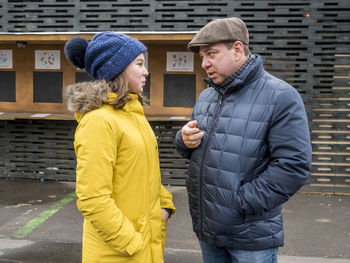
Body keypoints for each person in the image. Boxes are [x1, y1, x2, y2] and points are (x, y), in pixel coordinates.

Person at [175, 17, 311, 263]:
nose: (204, 63)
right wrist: (183, 139)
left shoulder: (281, 96)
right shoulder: (207, 96)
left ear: (237, 50)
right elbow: (198, 148)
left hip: (251, 239)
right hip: (209, 233)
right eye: (202, 57)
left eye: (211, 54)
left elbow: (293, 166)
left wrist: (240, 203)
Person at [64, 31, 175, 263]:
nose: (146, 71)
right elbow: (92, 199)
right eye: (139, 64)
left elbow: (146, 175)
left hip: (147, 246)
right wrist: (131, 242)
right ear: (117, 68)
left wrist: (164, 207)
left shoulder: (134, 115)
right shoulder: (99, 122)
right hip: (120, 253)